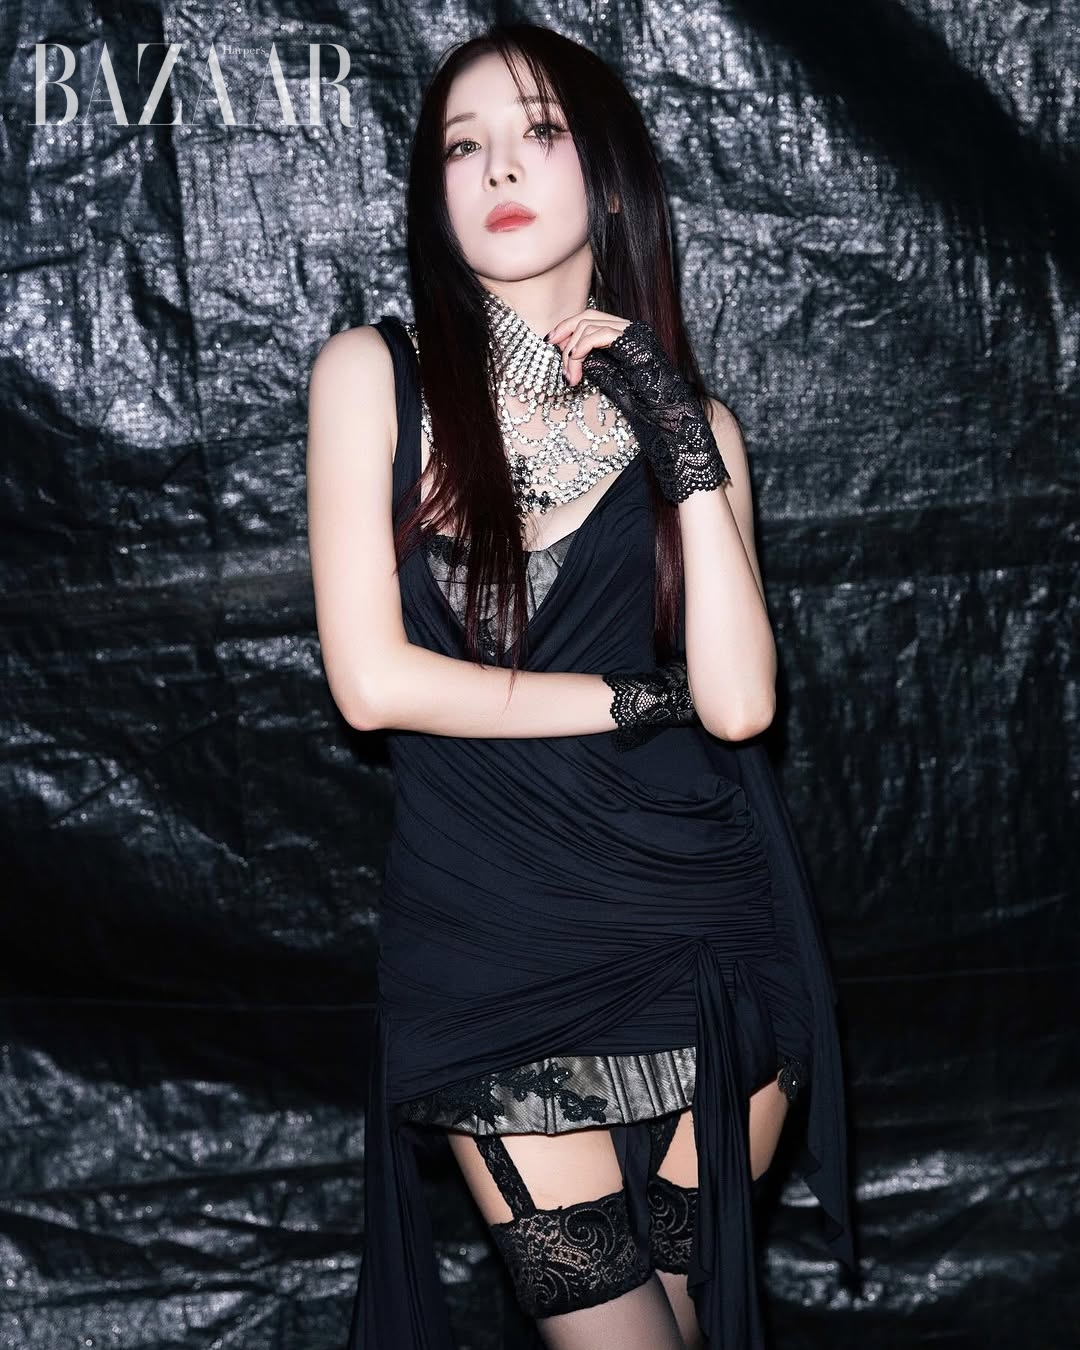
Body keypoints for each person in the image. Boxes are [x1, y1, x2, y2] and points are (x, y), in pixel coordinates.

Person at [306, 21, 856, 1350]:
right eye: (463, 145)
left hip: (702, 928)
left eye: (538, 132)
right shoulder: (372, 378)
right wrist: (626, 698)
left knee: (693, 1322)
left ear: (604, 174)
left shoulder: (694, 423)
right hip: (494, 941)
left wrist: (677, 436)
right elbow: (372, 684)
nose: (498, 166)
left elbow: (738, 705)